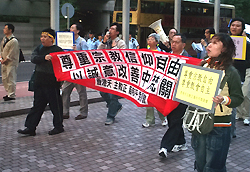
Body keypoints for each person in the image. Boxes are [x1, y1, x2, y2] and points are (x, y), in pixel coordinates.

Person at [191, 33, 243, 172]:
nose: (209, 45)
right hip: (200, 121)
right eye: (210, 42)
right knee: (200, 163)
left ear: (224, 48)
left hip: (219, 124)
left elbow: (238, 98)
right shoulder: (202, 65)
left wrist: (223, 100)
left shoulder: (231, 72)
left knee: (214, 166)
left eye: (215, 43)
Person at [17, 28, 64, 136]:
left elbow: (63, 65)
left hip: (52, 82)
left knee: (55, 106)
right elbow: (33, 58)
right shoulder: (39, 48)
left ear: (51, 39)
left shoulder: (58, 50)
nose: (42, 39)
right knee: (37, 105)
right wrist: (44, 58)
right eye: (41, 36)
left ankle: (58, 126)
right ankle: (30, 127)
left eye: (45, 36)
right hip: (39, 81)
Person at [159, 34, 191, 158]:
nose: (173, 44)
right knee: (173, 120)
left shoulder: (188, 59)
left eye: (177, 42)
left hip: (182, 95)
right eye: (172, 41)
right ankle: (181, 142)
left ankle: (165, 146)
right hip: (169, 94)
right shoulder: (168, 56)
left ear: (183, 45)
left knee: (176, 120)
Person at [97, 22, 126, 125]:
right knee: (102, 92)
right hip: (106, 71)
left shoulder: (120, 43)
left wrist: (113, 48)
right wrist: (104, 41)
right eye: (110, 28)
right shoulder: (106, 42)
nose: (110, 30)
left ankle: (110, 116)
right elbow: (98, 52)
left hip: (116, 72)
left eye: (113, 29)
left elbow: (122, 56)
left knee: (113, 94)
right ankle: (116, 106)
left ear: (117, 32)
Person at [62, 23, 89, 120]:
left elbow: (86, 56)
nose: (70, 29)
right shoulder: (66, 41)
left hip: (79, 71)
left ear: (77, 31)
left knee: (81, 92)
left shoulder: (82, 42)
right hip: (69, 70)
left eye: (73, 28)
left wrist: (76, 51)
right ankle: (65, 112)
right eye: (70, 28)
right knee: (65, 91)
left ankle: (83, 112)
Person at [142, 33, 167, 127]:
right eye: (148, 39)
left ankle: (163, 118)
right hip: (148, 79)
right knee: (148, 100)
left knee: (158, 100)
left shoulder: (161, 53)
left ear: (157, 42)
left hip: (158, 79)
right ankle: (149, 120)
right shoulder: (145, 52)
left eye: (152, 39)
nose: (149, 40)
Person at [229, 17, 250, 127]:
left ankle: (246, 115)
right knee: (235, 92)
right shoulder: (227, 40)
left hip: (246, 70)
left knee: (245, 93)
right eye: (233, 25)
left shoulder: (247, 41)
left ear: (242, 28)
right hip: (232, 69)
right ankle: (238, 113)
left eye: (238, 25)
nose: (234, 27)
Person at [0, 23, 20, 101]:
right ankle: (8, 93)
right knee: (5, 78)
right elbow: (1, 49)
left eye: (5, 28)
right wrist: (1, 58)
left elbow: (12, 53)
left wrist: (5, 60)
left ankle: (11, 95)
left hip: (11, 62)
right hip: (4, 62)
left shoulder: (14, 41)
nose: (3, 30)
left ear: (10, 30)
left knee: (11, 77)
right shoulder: (4, 39)